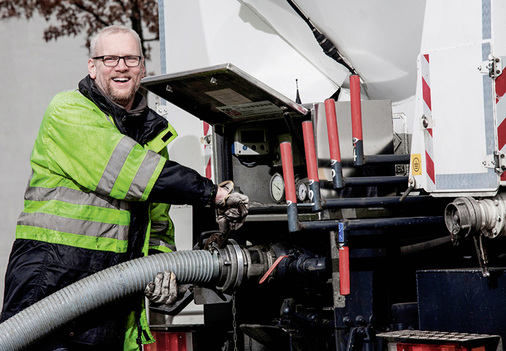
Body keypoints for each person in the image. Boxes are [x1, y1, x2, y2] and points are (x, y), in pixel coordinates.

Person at [0, 25, 248, 350]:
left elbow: (158, 225)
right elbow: (131, 171)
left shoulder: (152, 139)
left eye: (130, 58)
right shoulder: (69, 111)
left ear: (142, 68)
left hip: (112, 298)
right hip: (52, 281)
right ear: (92, 66)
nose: (121, 66)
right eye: (110, 58)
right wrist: (214, 194)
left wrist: (164, 270)